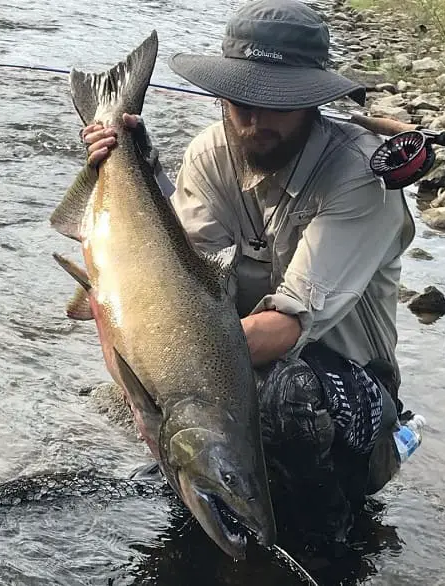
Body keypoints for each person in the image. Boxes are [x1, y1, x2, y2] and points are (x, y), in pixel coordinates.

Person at [82, 0, 415, 548]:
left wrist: (164, 376)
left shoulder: (363, 177)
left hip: (351, 398)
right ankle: (212, 485)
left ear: (313, 101)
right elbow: (192, 287)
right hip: (239, 371)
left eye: (278, 104)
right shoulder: (210, 154)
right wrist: (134, 169)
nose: (254, 122)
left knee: (286, 394)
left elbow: (284, 329)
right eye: (241, 101)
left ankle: (326, 537)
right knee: (175, 385)